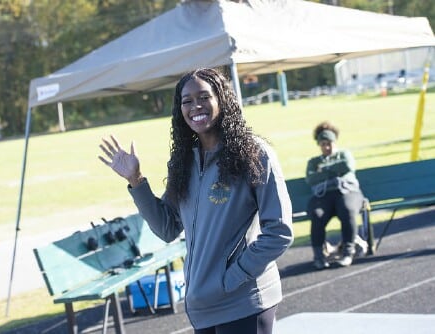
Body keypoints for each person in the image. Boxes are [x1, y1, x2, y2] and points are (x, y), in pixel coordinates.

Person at [98, 68, 293, 334]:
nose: (195, 106)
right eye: (186, 101)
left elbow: (279, 232)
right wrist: (136, 180)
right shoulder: (184, 163)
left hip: (243, 301)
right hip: (203, 307)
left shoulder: (254, 154)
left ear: (221, 99)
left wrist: (232, 278)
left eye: (204, 97)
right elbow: (167, 229)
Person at [305, 121, 364, 270]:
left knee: (347, 209)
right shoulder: (313, 162)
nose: (327, 147)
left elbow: (347, 166)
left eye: (329, 143)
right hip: (324, 196)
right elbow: (311, 179)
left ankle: (347, 252)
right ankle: (319, 256)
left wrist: (323, 170)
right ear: (319, 144)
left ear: (334, 142)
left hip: (347, 192)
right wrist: (334, 171)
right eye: (323, 144)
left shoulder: (344, 154)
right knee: (317, 214)